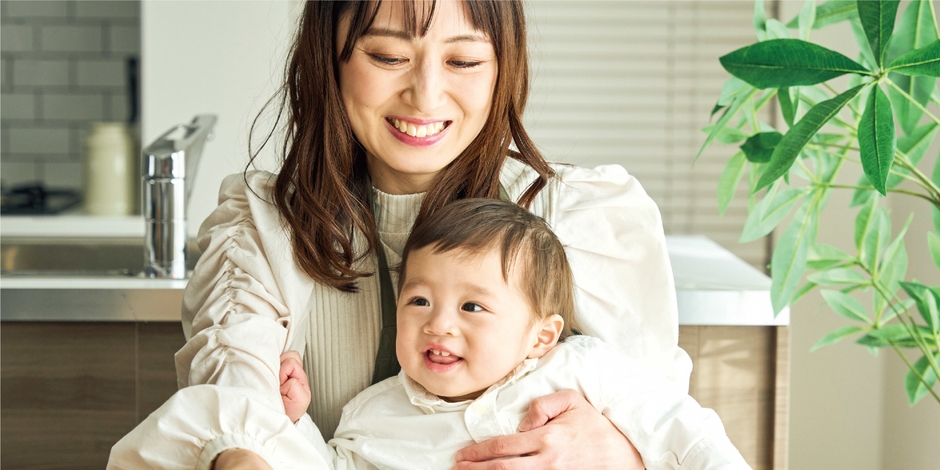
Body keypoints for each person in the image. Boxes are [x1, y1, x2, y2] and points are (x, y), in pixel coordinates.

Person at [133, 0, 693, 468]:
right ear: (330, 58)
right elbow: (237, 418)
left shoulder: (579, 216)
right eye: (388, 56)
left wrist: (622, 454)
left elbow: (666, 423)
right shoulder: (258, 225)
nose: (425, 96)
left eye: (465, 60)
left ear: (503, 68)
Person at [108, 200, 747, 470]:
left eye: (473, 306)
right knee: (211, 420)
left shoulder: (581, 372)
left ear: (540, 336)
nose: (438, 324)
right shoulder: (378, 407)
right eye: (419, 299)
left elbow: (684, 433)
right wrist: (294, 423)